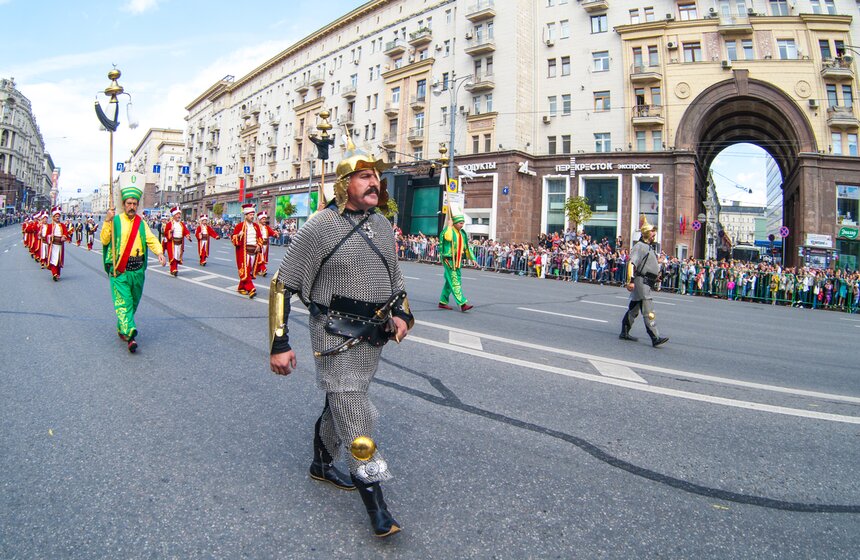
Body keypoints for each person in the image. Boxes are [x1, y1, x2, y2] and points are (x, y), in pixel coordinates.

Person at [268, 134, 414, 538]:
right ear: (344, 184)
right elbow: (283, 284)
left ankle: (321, 464)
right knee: (359, 413)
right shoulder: (320, 226)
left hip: (373, 337)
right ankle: (378, 506)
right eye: (364, 176)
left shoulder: (382, 224)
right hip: (334, 334)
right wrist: (279, 342)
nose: (374, 184)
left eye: (376, 178)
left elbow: (394, 278)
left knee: (342, 401)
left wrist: (402, 312)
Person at [100, 183, 167, 353]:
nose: (131, 206)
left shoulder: (141, 223)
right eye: (129, 203)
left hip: (137, 270)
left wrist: (159, 252)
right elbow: (105, 240)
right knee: (125, 302)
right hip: (120, 270)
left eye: (134, 204)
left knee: (133, 302)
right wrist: (107, 221)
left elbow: (151, 239)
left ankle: (122, 325)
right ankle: (131, 334)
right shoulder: (115, 220)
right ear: (123, 204)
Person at [620, 216, 669, 347]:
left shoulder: (647, 247)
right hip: (641, 282)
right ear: (647, 233)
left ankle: (624, 331)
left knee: (634, 309)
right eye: (652, 232)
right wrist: (630, 280)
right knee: (648, 310)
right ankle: (655, 337)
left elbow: (646, 264)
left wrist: (655, 276)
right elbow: (631, 263)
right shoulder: (640, 246)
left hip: (646, 281)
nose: (654, 235)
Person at [438, 207, 475, 312]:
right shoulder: (448, 230)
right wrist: (449, 226)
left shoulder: (462, 233)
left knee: (449, 283)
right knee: (455, 282)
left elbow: (466, 247)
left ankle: (442, 302)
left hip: (458, 261)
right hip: (449, 260)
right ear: (454, 223)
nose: (462, 225)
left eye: (463, 223)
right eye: (460, 223)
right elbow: (448, 238)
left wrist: (472, 258)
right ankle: (463, 304)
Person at [231, 203, 263, 298]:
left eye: (253, 215)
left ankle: (241, 287)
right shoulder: (239, 226)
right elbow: (233, 238)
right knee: (245, 270)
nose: (252, 216)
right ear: (246, 215)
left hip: (253, 252)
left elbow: (260, 238)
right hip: (244, 252)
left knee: (248, 271)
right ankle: (251, 288)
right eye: (250, 215)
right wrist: (238, 236)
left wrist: (259, 244)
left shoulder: (256, 226)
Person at [164, 207, 191, 276]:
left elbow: (185, 230)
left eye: (179, 214)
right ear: (174, 215)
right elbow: (166, 233)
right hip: (172, 243)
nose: (179, 216)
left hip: (180, 242)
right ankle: (173, 269)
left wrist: (187, 235)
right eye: (177, 214)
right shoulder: (169, 224)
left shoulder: (181, 224)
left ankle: (175, 268)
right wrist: (170, 231)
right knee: (173, 257)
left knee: (178, 256)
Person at [46, 207, 71, 281]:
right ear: (53, 217)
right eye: (56, 216)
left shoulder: (62, 225)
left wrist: (64, 236)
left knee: (58, 260)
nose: (57, 217)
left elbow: (65, 233)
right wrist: (50, 237)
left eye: (58, 216)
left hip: (60, 245)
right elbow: (47, 235)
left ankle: (58, 273)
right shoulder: (50, 226)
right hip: (53, 245)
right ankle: (54, 273)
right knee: (53, 259)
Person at [255, 210, 277, 277]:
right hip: (259, 244)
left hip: (265, 245)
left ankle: (257, 271)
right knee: (260, 257)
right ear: (260, 219)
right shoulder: (257, 227)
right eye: (263, 219)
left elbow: (271, 232)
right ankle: (263, 269)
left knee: (261, 258)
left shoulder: (266, 227)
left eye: (265, 219)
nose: (264, 220)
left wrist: (275, 234)